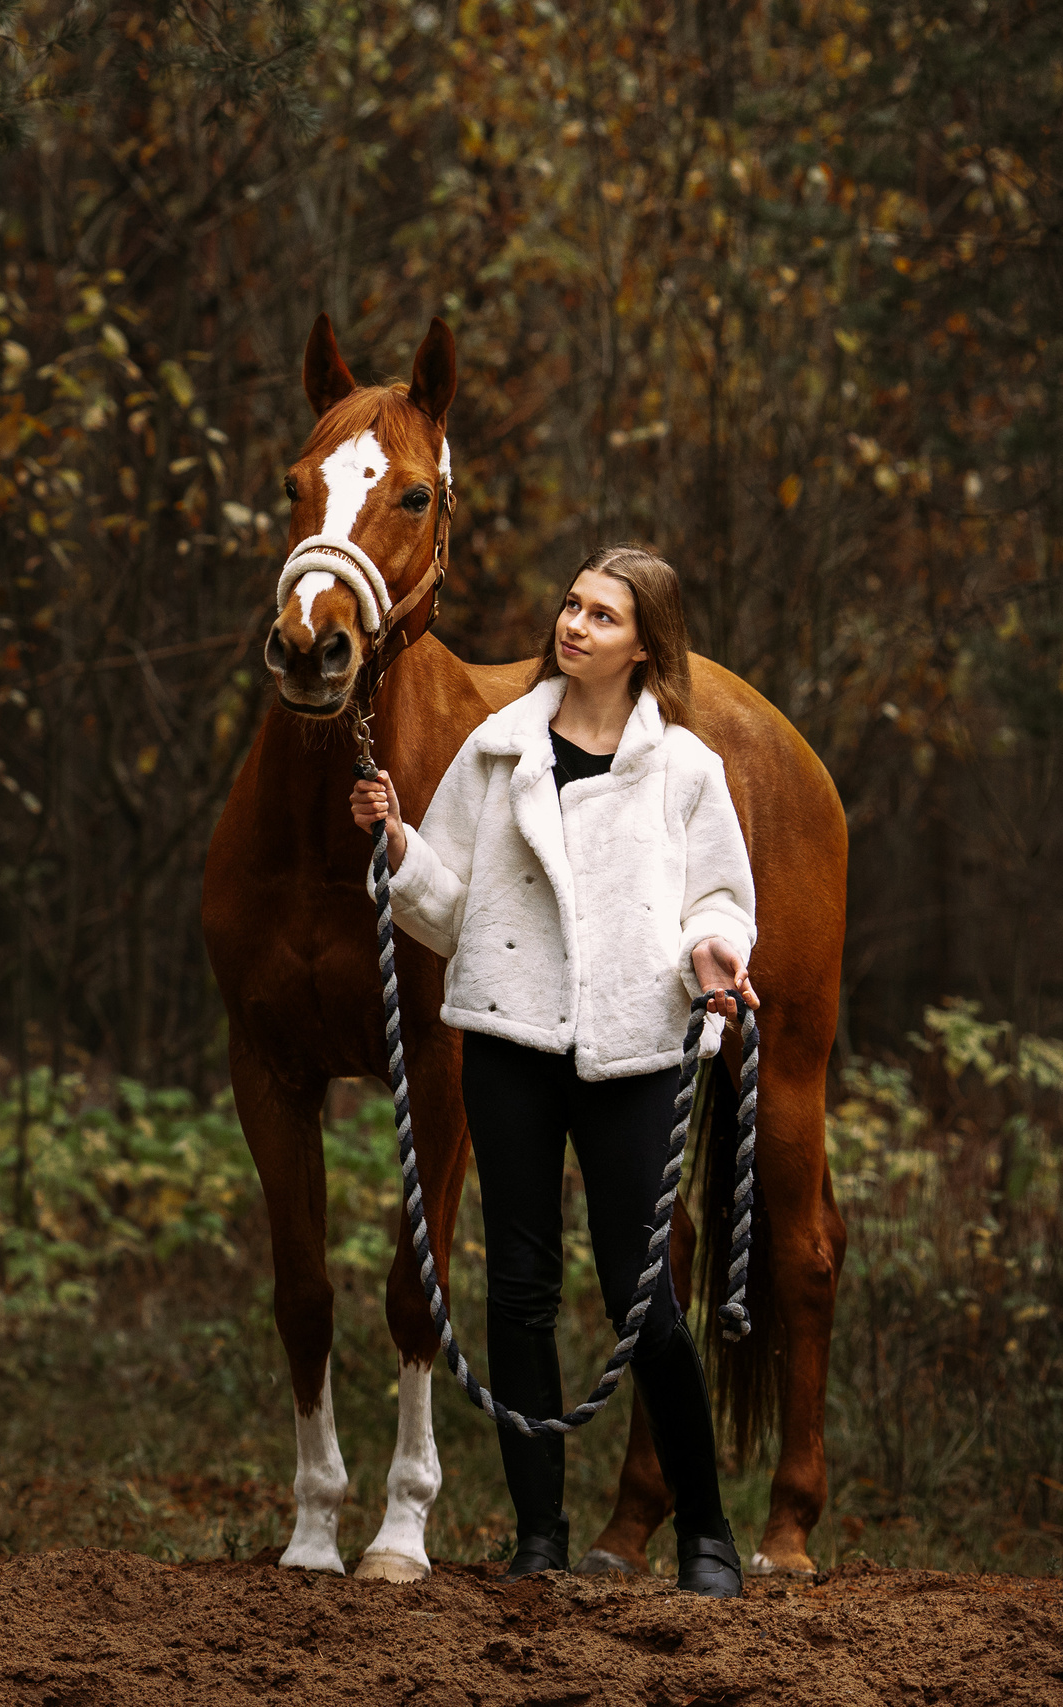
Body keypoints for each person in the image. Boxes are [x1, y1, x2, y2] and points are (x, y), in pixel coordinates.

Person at [348, 544, 755, 1599]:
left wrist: (714, 951)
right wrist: (397, 846)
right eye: (571, 605)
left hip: (632, 1045)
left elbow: (718, 900)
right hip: (510, 1042)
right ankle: (540, 1536)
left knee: (642, 1294)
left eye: (602, 617)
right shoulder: (496, 750)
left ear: (644, 646)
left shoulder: (688, 772)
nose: (574, 625)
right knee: (519, 1288)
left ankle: (704, 1531)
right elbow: (448, 906)